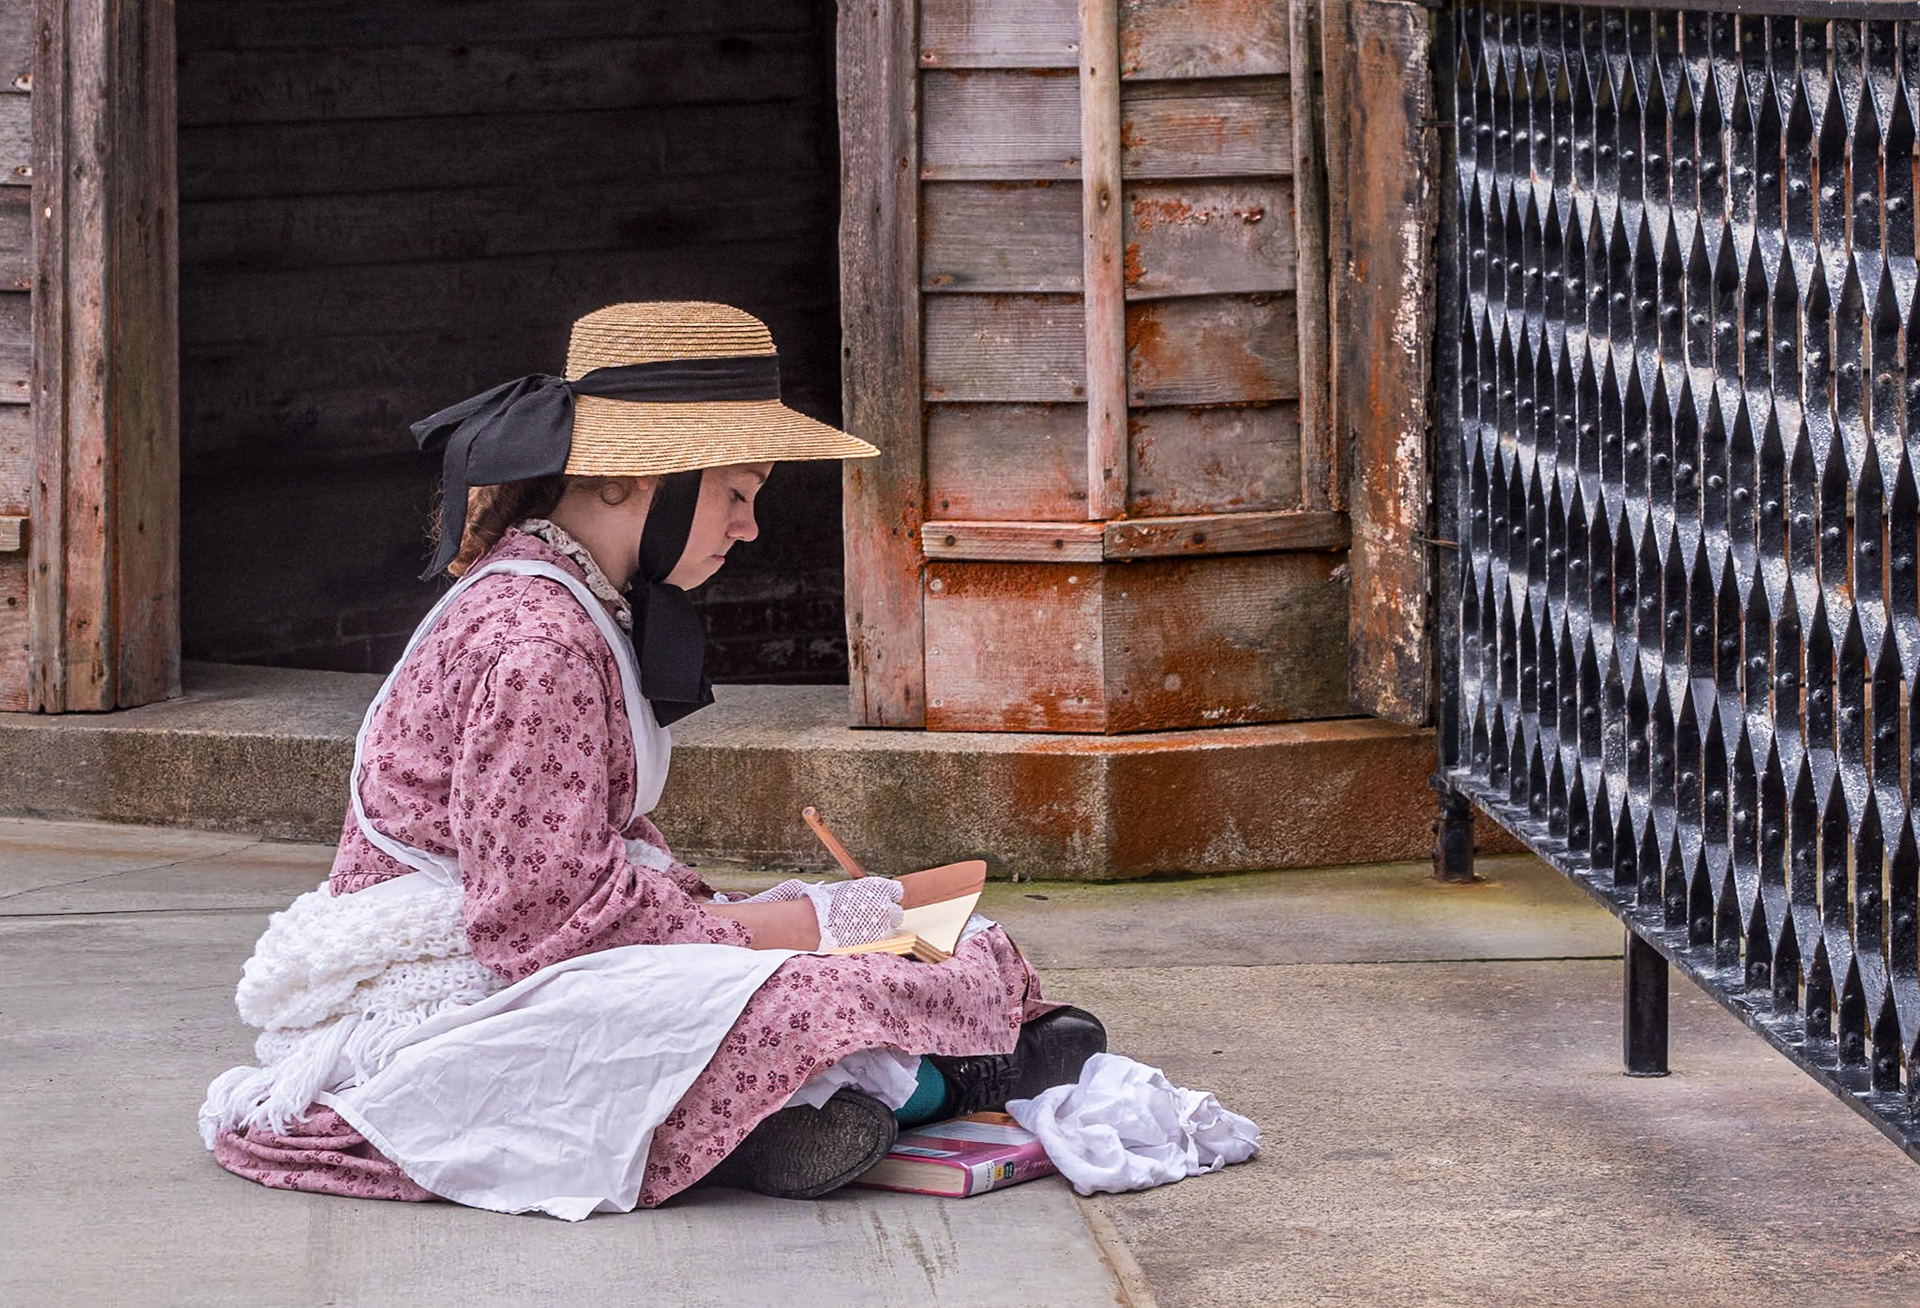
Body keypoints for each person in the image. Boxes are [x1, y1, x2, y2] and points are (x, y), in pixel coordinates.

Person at [199, 302, 1105, 1217]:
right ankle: (918, 1088)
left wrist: (786, 917)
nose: (748, 530)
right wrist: (803, 926)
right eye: (737, 494)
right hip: (463, 978)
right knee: (822, 982)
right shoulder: (537, 642)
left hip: (538, 940)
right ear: (636, 481)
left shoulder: (571, 606)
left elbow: (584, 867)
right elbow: (537, 927)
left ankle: (791, 1114)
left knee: (905, 942)